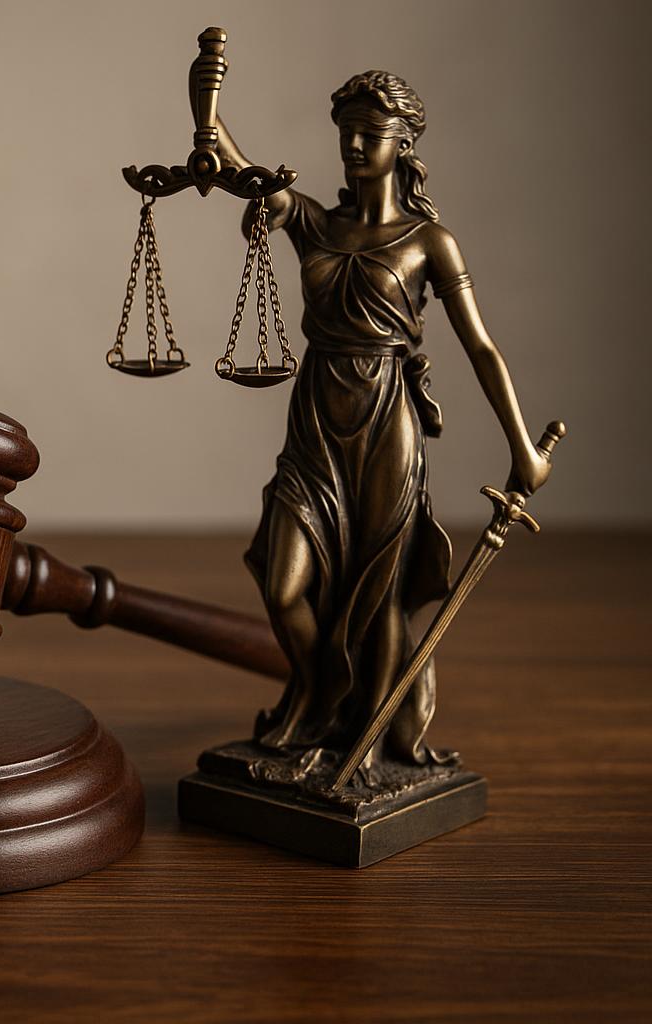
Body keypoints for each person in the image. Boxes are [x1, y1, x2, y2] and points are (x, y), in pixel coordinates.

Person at [211, 71, 551, 773]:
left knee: (381, 589)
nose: (355, 145)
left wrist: (523, 447)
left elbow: (481, 348)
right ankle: (321, 691)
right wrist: (205, 98)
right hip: (316, 417)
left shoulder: (431, 242)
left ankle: (367, 727)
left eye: (372, 133)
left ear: (404, 145)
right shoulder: (312, 222)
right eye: (346, 133)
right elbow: (236, 168)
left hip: (385, 420)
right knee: (284, 583)